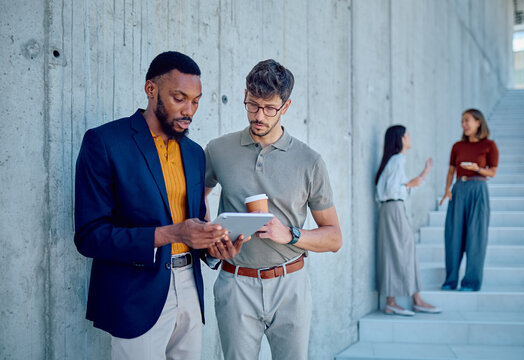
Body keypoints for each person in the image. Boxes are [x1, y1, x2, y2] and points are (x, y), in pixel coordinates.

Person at [74, 51, 245, 360]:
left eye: (196, 101)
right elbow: (89, 236)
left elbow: (194, 224)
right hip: (135, 295)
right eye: (179, 98)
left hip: (191, 291)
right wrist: (172, 234)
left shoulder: (194, 154)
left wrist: (215, 250)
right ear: (151, 89)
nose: (189, 110)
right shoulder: (104, 142)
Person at [204, 59, 342, 360]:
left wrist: (290, 234)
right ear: (245, 95)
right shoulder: (218, 150)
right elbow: (196, 200)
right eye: (252, 105)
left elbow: (333, 238)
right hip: (235, 281)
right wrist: (211, 237)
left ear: (286, 106)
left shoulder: (310, 161)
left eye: (269, 108)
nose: (259, 116)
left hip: (290, 284)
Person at [375, 125, 441, 316]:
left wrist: (422, 175)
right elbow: (391, 191)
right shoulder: (397, 160)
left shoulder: (394, 161)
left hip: (393, 209)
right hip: (393, 208)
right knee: (402, 250)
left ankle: (404, 300)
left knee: (398, 250)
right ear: (401, 139)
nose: (410, 137)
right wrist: (410, 183)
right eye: (408, 135)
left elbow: (398, 189)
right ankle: (405, 300)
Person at [440, 108, 499, 292]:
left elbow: (493, 172)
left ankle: (471, 282)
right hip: (459, 189)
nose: (464, 124)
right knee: (453, 236)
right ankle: (450, 281)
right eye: (462, 121)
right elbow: (451, 170)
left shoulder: (489, 145)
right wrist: (447, 190)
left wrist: (477, 169)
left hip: (478, 189)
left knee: (476, 237)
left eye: (467, 120)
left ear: (478, 122)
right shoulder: (457, 146)